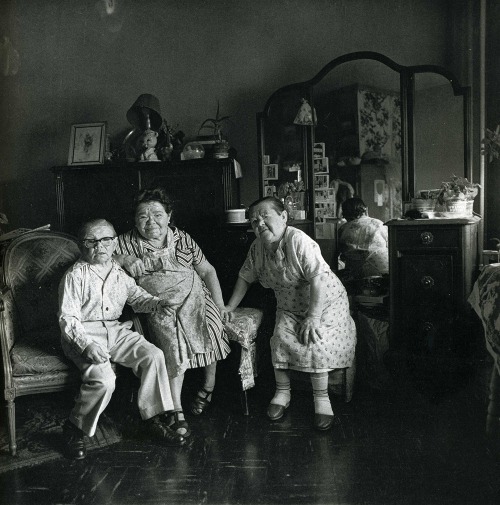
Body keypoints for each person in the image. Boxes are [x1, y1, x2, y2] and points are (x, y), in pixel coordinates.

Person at [223, 196, 356, 431]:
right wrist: (230, 307)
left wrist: (313, 317)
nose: (260, 224)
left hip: (324, 303)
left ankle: (321, 400)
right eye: (254, 221)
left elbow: (318, 279)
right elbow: (245, 277)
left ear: (283, 217)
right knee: (280, 340)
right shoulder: (257, 248)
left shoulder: (298, 240)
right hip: (290, 306)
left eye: (265, 217)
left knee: (313, 341)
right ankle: (283, 393)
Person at [58, 219, 185, 460]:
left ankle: (152, 419)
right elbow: (67, 318)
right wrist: (86, 345)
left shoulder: (118, 271)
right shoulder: (75, 275)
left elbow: (137, 297)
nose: (100, 246)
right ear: (81, 246)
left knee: (153, 356)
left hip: (115, 331)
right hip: (84, 333)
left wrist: (158, 304)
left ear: (115, 242)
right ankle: (74, 428)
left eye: (106, 240)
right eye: (91, 241)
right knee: (105, 380)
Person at [114, 187, 231, 438]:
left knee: (210, 323)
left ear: (169, 216)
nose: (151, 222)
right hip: (158, 303)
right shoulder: (124, 242)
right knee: (171, 340)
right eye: (142, 216)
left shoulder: (183, 238)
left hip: (194, 295)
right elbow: (97, 257)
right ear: (135, 220)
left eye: (157, 214)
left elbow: (207, 271)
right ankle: (176, 408)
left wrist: (220, 306)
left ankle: (208, 386)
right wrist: (122, 259)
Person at [337, 197, 389, 283]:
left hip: (356, 274)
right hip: (382, 269)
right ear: (364, 209)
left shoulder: (343, 228)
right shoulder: (379, 224)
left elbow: (340, 251)